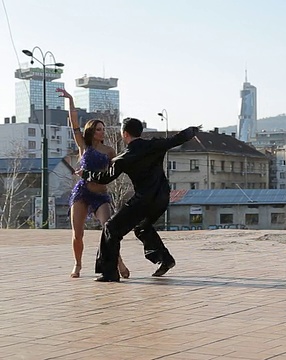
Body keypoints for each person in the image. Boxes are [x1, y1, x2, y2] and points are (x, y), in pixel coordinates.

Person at [79, 118, 199, 282]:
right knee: (142, 227)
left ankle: (109, 273)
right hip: (162, 197)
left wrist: (86, 174)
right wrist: (191, 130)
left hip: (144, 200)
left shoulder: (124, 157)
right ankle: (165, 259)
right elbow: (175, 139)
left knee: (111, 228)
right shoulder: (154, 145)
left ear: (125, 134)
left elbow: (105, 178)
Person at [57, 88, 129, 279]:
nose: (102, 132)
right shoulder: (84, 146)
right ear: (91, 131)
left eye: (103, 129)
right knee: (78, 233)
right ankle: (78, 264)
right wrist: (71, 100)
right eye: (98, 129)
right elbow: (73, 123)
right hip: (82, 193)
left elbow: (118, 167)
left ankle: (118, 261)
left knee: (109, 230)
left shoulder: (109, 150)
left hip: (101, 195)